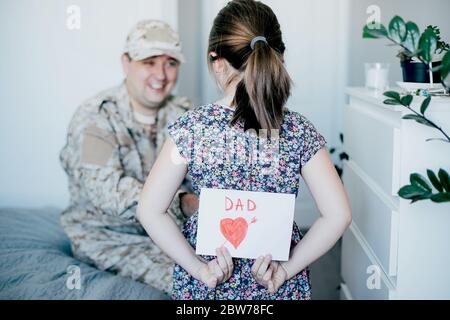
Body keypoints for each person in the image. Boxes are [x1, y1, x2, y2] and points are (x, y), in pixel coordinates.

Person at [137, 0, 352, 300]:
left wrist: (199, 269)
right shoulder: (299, 130)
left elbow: (149, 210)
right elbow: (338, 215)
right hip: (276, 283)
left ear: (216, 60)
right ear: (281, 56)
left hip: (209, 281)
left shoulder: (191, 129)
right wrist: (286, 270)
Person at [60, 20, 199, 295]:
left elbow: (203, 174)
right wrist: (182, 202)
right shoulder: (95, 117)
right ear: (126, 63)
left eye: (171, 63)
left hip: (173, 230)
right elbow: (106, 189)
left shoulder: (185, 114)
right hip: (111, 236)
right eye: (149, 62)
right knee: (194, 282)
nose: (161, 74)